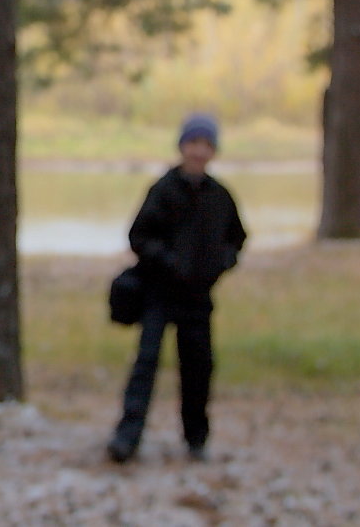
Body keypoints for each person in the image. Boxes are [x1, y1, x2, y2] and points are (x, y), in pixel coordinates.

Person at [107, 113, 246, 464]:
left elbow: (237, 238)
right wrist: (167, 262)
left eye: (206, 145)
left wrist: (219, 264)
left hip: (199, 297)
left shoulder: (220, 196)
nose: (199, 151)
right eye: (193, 143)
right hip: (159, 293)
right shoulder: (163, 189)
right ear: (182, 146)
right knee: (146, 365)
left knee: (198, 368)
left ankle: (196, 439)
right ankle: (127, 437)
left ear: (213, 151)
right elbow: (138, 236)